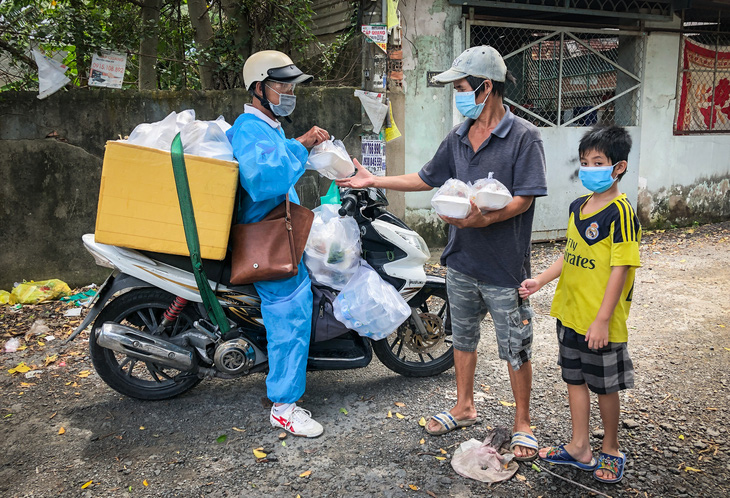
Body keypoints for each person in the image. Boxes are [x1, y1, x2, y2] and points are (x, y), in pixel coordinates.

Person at [337, 46, 547, 460]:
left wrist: (483, 220)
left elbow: (524, 199)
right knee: (463, 338)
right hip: (462, 260)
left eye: (463, 87)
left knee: (515, 343)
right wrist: (372, 179)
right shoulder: (457, 137)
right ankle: (464, 406)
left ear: (487, 87)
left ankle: (523, 422)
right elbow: (425, 178)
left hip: (505, 266)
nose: (458, 95)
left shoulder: (524, 137)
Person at [519, 125, 640, 483]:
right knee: (574, 380)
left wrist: (603, 319)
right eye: (585, 162)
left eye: (598, 162)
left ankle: (612, 448)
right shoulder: (578, 207)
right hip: (569, 315)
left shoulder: (621, 212)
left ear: (618, 167)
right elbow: (570, 254)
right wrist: (540, 280)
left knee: (605, 386)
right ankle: (579, 447)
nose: (589, 168)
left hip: (599, 321)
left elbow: (622, 267)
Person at [226, 50, 329, 438]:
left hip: (279, 230)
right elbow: (265, 180)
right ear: (258, 88)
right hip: (265, 239)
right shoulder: (249, 127)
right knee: (292, 308)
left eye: (290, 85)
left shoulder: (269, 127)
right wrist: (302, 143)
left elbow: (282, 167)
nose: (289, 91)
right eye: (281, 84)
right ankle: (284, 406)